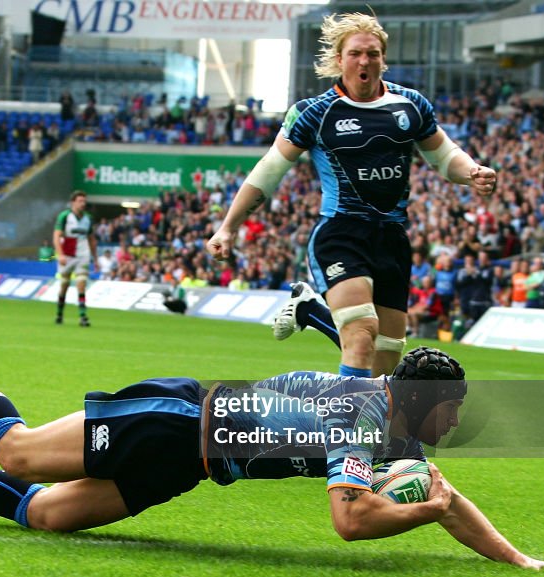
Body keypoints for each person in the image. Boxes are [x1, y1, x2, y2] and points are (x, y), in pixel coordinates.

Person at [0, 334, 544, 571]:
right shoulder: (362, 412)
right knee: (20, 455)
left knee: (48, 518)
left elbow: (446, 495)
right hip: (174, 419)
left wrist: (517, 560)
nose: (455, 423)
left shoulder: (393, 419)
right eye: (452, 410)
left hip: (190, 466)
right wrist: (424, 511)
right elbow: (350, 523)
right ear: (418, 399)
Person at [207, 12, 496, 378]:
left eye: (373, 54)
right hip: (341, 234)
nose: (365, 61)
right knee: (361, 336)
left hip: (392, 238)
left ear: (383, 59)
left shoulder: (410, 105)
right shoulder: (314, 113)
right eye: (357, 53)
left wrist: (472, 171)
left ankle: (311, 313)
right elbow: (268, 171)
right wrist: (228, 227)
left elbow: (445, 157)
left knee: (385, 361)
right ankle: (347, 434)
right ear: (340, 59)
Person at [53, 190, 97, 326]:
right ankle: (59, 313)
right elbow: (56, 236)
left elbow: (91, 239)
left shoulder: (88, 218)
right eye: (80, 201)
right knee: (64, 285)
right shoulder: (65, 216)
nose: (83, 204)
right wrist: (59, 254)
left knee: (81, 284)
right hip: (67, 254)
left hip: (83, 254)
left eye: (84, 201)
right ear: (73, 202)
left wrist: (95, 258)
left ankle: (83, 316)